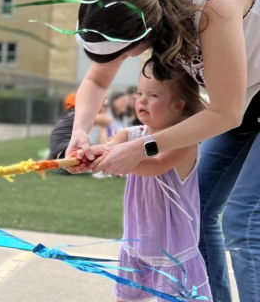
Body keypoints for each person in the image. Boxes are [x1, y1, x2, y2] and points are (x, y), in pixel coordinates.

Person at [66, 0, 259, 301]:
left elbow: (226, 113)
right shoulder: (138, 6)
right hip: (244, 102)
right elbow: (97, 79)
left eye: (125, 52)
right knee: (196, 213)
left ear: (143, 36)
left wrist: (141, 147)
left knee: (244, 220)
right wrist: (80, 132)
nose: (126, 59)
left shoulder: (215, 8)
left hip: (237, 107)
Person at [84, 68, 210, 302]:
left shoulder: (184, 141)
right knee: (127, 296)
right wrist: (88, 156)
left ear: (179, 105)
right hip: (138, 236)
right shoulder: (128, 135)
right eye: (140, 93)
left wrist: (118, 160)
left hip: (172, 243)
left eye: (153, 95)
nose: (141, 100)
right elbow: (107, 150)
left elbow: (156, 166)